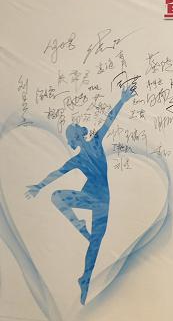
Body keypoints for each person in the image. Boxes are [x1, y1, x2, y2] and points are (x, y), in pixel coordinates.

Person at [26, 85, 136, 304]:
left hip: (102, 201)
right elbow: (57, 173)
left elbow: (109, 120)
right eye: (75, 131)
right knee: (57, 196)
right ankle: (81, 227)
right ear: (76, 138)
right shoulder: (79, 157)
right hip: (94, 198)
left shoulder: (95, 142)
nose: (79, 131)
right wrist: (39, 186)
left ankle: (85, 279)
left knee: (95, 243)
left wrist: (122, 100)